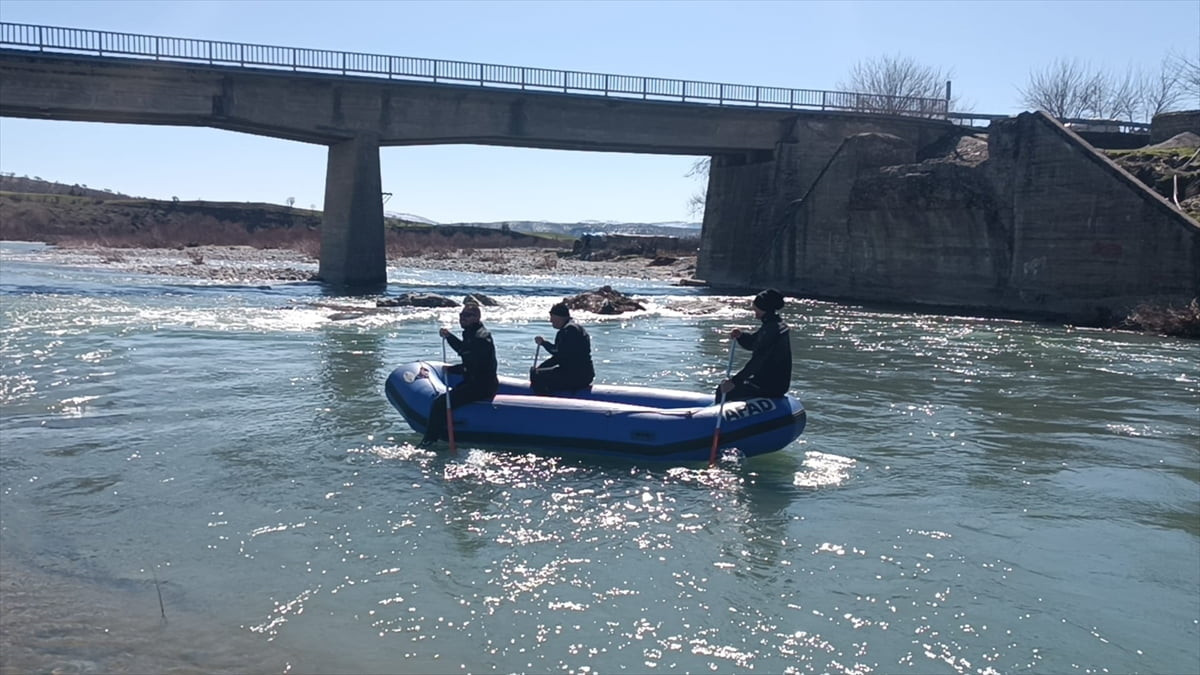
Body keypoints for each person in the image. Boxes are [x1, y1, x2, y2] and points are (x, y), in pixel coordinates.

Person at [420, 302, 499, 446]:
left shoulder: (481, 337)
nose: (463, 318)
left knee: (440, 403)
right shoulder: (471, 333)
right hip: (475, 382)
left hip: (481, 386)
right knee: (447, 398)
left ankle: (429, 442)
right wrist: (449, 337)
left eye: (467, 316)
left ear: (477, 317)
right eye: (461, 315)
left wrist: (456, 369)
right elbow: (464, 350)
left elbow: (474, 364)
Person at [716, 288, 792, 403]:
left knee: (723, 391)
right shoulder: (775, 324)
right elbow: (753, 343)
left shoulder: (771, 330)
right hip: (776, 384)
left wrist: (734, 381)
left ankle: (716, 417)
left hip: (768, 386)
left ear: (764, 308)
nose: (753, 309)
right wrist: (741, 336)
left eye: (755, 307)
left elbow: (757, 361)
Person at [530, 302, 595, 394]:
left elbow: (557, 352)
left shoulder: (568, 331)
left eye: (552, 317)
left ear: (558, 317)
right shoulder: (576, 328)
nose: (550, 321)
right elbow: (560, 356)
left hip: (576, 376)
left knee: (537, 376)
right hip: (586, 375)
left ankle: (544, 403)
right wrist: (540, 367)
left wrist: (544, 343)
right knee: (538, 372)